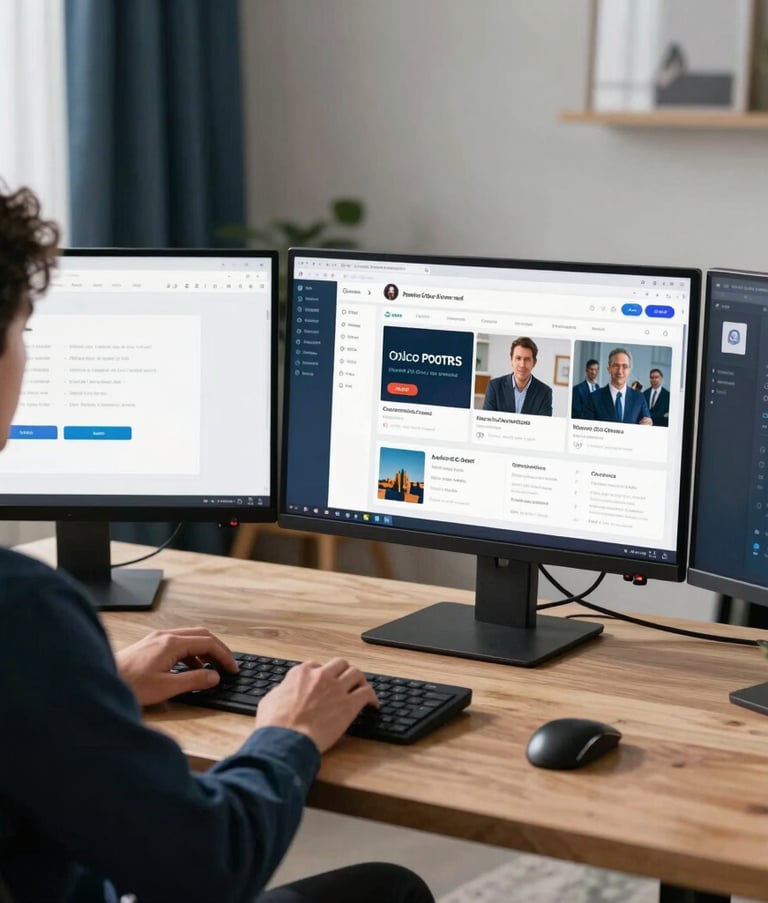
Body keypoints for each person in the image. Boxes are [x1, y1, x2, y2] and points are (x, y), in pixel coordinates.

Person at [0, 184, 434, 903]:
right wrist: (286, 735)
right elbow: (206, 866)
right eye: (22, 331)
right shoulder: (21, 610)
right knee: (387, 890)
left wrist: (91, 691)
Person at [482, 336, 553, 416]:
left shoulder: (545, 393)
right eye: (518, 358)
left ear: (534, 363)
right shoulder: (494, 387)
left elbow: (543, 427)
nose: (522, 365)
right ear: (511, 360)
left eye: (527, 359)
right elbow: (487, 421)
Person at [584, 347, 652, 426]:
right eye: (616, 366)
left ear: (630, 370)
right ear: (609, 368)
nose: (620, 371)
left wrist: (649, 425)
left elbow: (646, 426)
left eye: (625, 366)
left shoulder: (639, 398)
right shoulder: (594, 398)